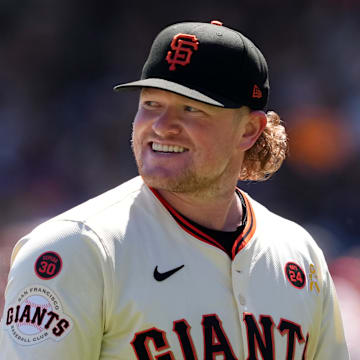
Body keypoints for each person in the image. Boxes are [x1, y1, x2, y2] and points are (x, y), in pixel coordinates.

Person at [0, 20, 349, 359]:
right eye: (151, 104)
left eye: (191, 109)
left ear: (248, 130)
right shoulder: (77, 249)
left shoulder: (299, 253)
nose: (162, 127)